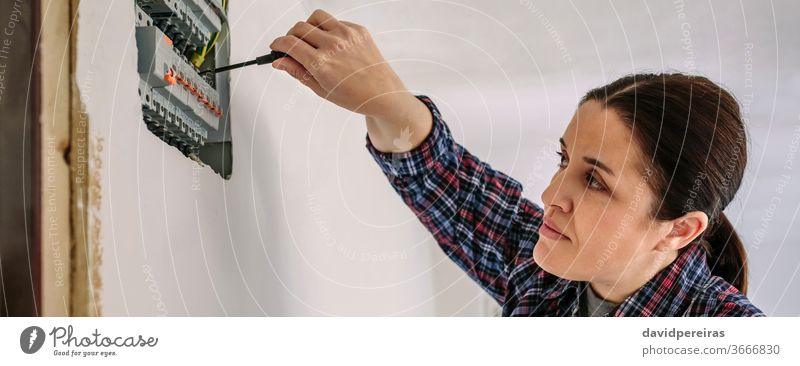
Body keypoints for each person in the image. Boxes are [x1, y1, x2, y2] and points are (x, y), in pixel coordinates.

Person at [269, 9, 764, 316]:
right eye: (563, 159)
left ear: (677, 231)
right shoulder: (544, 274)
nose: (551, 195)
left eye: (594, 180)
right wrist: (384, 99)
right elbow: (450, 186)